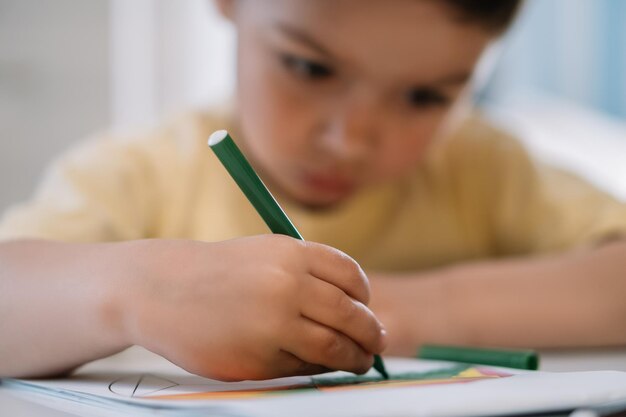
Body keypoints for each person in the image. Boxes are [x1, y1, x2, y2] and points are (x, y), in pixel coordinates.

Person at [1, 0, 625, 381]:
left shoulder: (484, 169)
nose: (351, 139)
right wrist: (137, 289)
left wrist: (402, 314)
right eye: (310, 67)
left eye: (424, 97)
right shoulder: (139, 175)